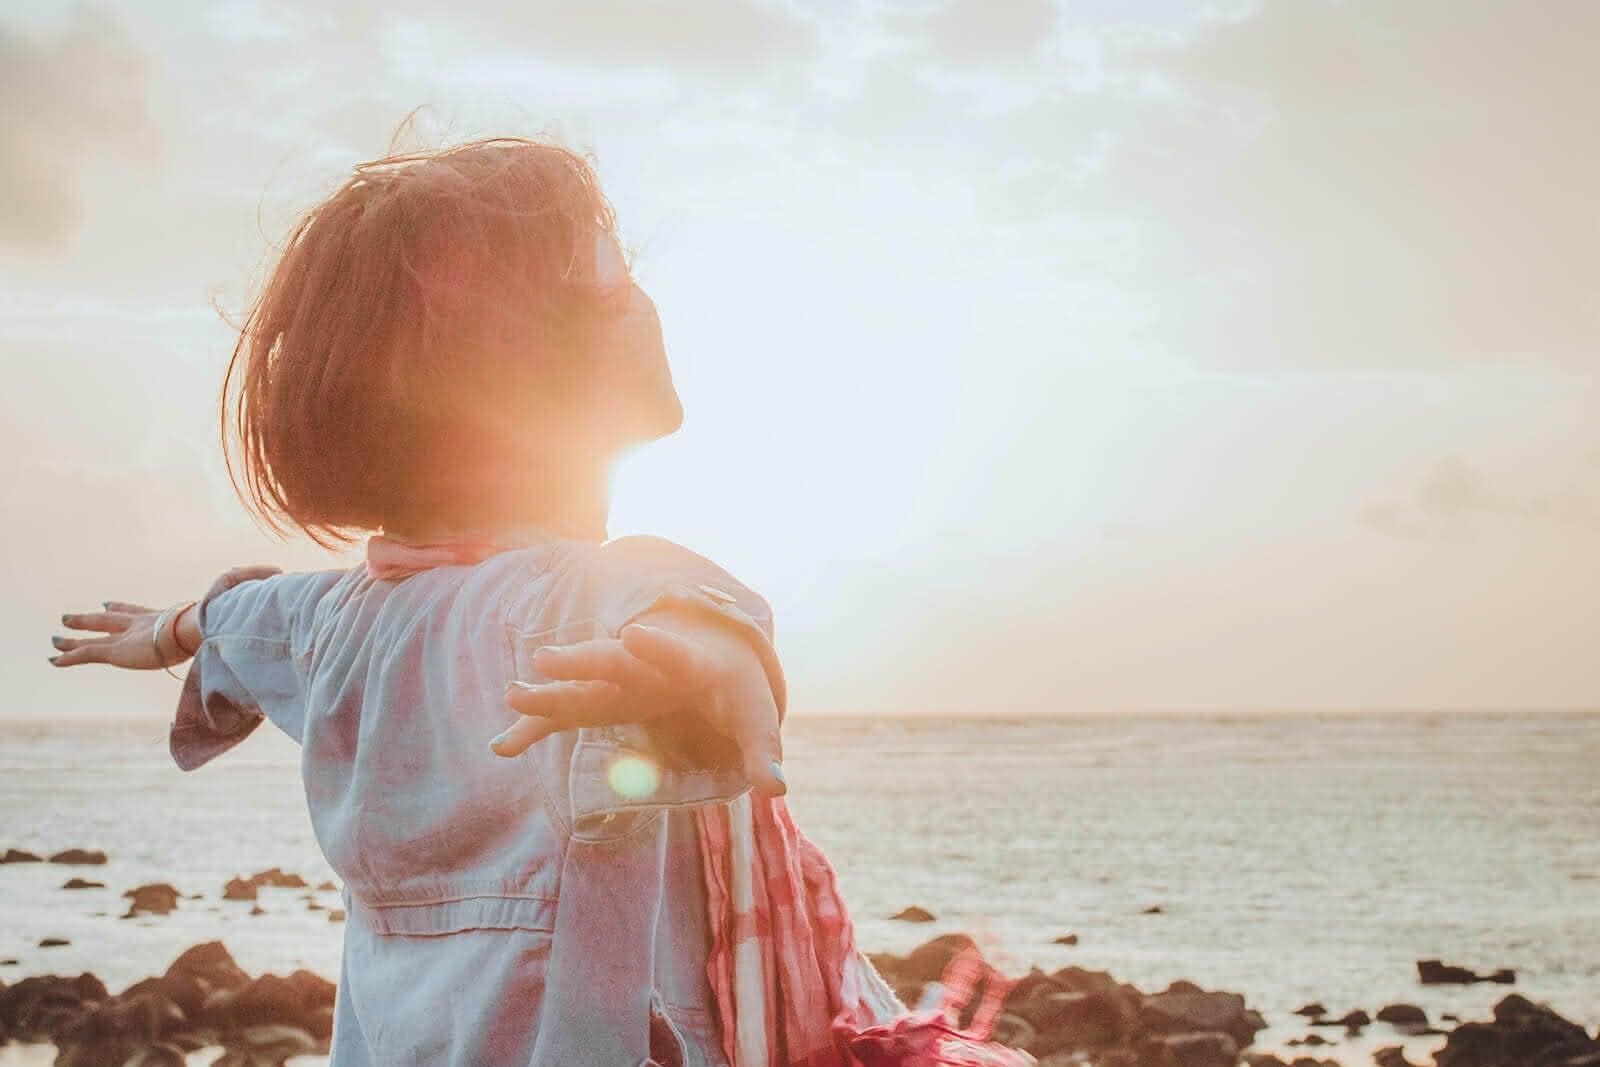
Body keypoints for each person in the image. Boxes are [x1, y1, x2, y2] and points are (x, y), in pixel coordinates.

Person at [49, 137, 795, 1066]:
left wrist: (164, 632)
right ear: (521, 367)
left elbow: (245, 619)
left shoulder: (337, 620)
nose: (636, 291)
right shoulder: (573, 599)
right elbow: (675, 604)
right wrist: (703, 662)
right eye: (607, 269)